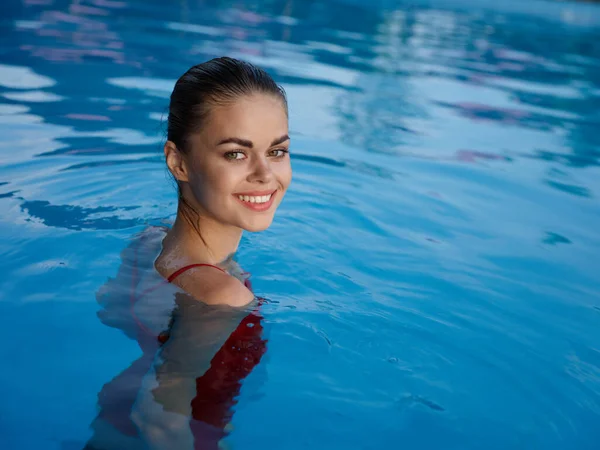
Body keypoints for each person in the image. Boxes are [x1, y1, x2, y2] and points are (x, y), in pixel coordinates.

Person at [84, 57, 292, 450]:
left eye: (277, 151)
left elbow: (110, 309)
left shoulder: (149, 242)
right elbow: (159, 421)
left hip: (114, 421)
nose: (265, 174)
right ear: (178, 162)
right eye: (236, 153)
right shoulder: (222, 295)